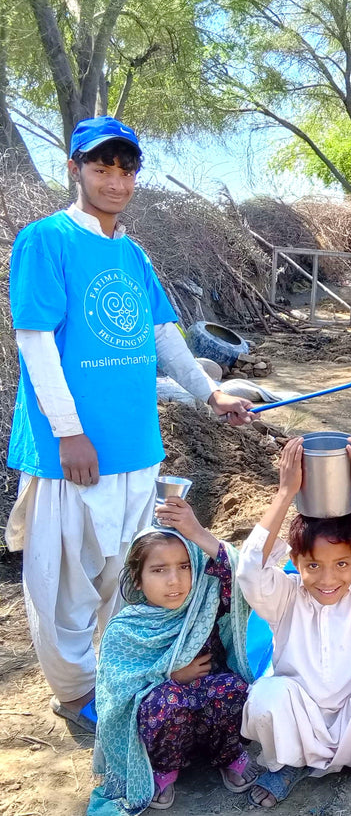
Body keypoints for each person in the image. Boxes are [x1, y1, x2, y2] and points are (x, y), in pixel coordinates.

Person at [4, 115, 253, 733]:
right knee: (63, 584)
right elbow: (34, 341)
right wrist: (67, 430)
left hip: (136, 445)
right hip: (71, 452)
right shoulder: (46, 240)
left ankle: (121, 675)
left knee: (126, 571)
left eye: (125, 170)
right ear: (75, 169)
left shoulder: (133, 254)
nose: (114, 181)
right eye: (101, 168)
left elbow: (163, 334)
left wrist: (209, 393)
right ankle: (74, 692)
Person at [238, 436, 351, 806]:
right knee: (267, 695)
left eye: (341, 564)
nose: (328, 579)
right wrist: (286, 492)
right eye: (313, 566)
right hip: (300, 725)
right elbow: (250, 568)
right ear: (295, 562)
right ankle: (286, 764)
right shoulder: (284, 596)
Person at [89, 498, 257, 814]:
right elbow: (117, 693)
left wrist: (197, 531)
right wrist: (170, 675)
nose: (174, 580)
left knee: (236, 690)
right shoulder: (126, 628)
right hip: (165, 728)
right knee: (165, 701)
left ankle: (227, 755)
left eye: (184, 567)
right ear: (137, 579)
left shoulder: (204, 604)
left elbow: (242, 578)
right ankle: (164, 771)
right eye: (159, 570)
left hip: (211, 717)